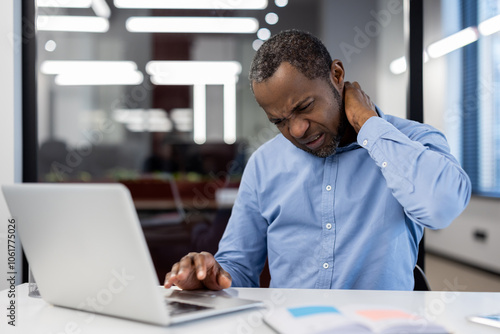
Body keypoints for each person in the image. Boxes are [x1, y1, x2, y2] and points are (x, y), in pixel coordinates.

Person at [164, 29, 471, 291]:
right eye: (280, 121)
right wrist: (211, 276)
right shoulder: (265, 163)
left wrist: (369, 125)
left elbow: (441, 208)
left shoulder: (412, 141)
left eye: (305, 106)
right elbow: (239, 267)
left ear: (337, 75)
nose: (297, 129)